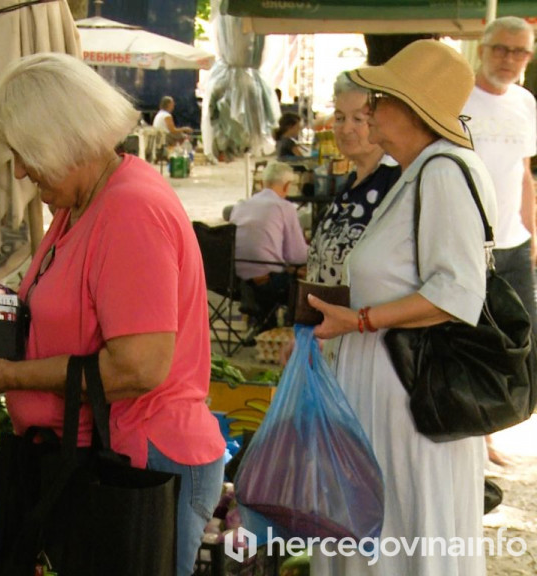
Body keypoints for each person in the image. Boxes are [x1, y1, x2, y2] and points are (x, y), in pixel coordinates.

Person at [0, 53, 225, 576]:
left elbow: (138, 367)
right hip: (93, 460)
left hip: (137, 463)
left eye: (26, 154)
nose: (22, 170)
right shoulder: (83, 202)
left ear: (63, 138)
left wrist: (9, 375)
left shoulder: (129, 211)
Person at [307, 40, 496, 575]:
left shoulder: (441, 172)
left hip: (407, 389)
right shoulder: (420, 172)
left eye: (379, 101)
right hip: (390, 383)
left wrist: (359, 320)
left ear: (411, 109)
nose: (368, 113)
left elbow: (455, 293)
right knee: (389, 523)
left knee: (403, 526)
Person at [463, 16, 536, 468]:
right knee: (473, 339)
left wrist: (532, 233)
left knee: (518, 338)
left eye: (519, 52)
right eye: (501, 49)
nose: (509, 59)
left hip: (513, 243)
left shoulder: (526, 102)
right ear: (482, 49)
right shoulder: (456, 99)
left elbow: (523, 174)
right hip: (469, 244)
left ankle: (487, 427)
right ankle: (471, 435)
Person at [305, 73, 401, 285]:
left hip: (362, 316)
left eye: (358, 119)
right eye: (339, 118)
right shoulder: (351, 184)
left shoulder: (396, 182)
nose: (345, 129)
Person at [228, 161, 308, 330]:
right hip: (269, 283)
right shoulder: (285, 207)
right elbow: (298, 256)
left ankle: (261, 323)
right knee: (305, 275)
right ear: (287, 186)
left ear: (262, 183)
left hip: (233, 280)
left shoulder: (241, 205)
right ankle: (288, 329)